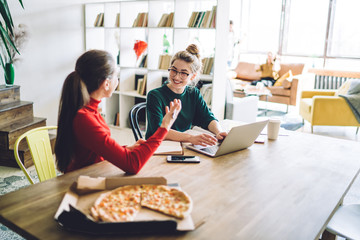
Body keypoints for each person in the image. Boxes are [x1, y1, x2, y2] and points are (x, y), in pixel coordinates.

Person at [55, 49, 181, 174]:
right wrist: (165, 126)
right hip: (82, 183)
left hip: (94, 174)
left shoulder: (90, 111)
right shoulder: (85, 118)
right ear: (106, 84)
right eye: (117, 76)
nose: (118, 80)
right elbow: (132, 164)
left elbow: (96, 150)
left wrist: (126, 149)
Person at [145, 44, 227, 146]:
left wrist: (219, 132)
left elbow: (208, 118)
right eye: (174, 70)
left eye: (183, 73)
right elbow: (158, 131)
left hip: (182, 144)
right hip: (158, 146)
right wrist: (191, 138)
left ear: (193, 76)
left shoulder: (193, 93)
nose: (176, 76)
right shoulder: (155, 96)